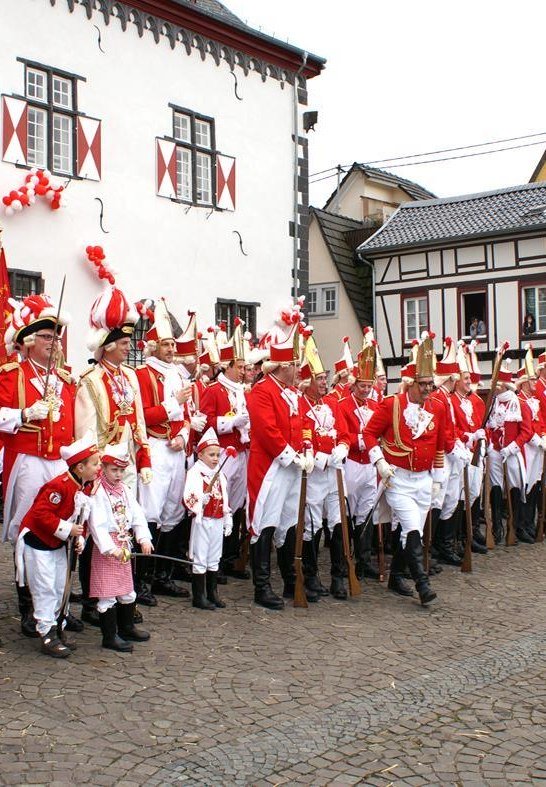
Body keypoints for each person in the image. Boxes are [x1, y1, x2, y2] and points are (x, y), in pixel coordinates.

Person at [0, 293, 79, 638]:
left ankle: (57, 605)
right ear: (29, 341)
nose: (53, 342)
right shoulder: (11, 374)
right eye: (46, 336)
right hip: (28, 461)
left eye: (56, 337)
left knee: (63, 529)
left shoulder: (66, 379)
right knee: (30, 530)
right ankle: (29, 605)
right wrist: (21, 415)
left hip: (59, 464)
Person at [75, 282, 153, 618]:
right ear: (106, 346)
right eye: (123, 343)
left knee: (126, 527)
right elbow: (86, 431)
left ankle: (124, 596)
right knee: (99, 533)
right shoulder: (90, 381)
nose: (128, 348)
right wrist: (93, 470)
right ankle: (95, 601)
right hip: (102, 466)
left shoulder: (131, 378)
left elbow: (138, 422)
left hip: (127, 464)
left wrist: (145, 456)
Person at [364, 332, 445, 606]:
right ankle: (422, 584)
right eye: (423, 384)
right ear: (410, 384)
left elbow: (440, 445)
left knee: (411, 531)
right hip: (398, 478)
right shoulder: (391, 405)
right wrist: (379, 461)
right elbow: (368, 434)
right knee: (412, 530)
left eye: (431, 385)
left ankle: (396, 575)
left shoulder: (437, 408)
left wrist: (438, 478)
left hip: (424, 480)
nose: (428, 390)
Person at [15, 432, 101, 657]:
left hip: (58, 543)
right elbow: (40, 514)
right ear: (79, 468)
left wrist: (78, 538)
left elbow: (80, 519)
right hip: (39, 542)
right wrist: (67, 530)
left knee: (60, 586)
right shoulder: (59, 486)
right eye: (94, 464)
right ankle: (46, 633)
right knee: (45, 587)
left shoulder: (84, 486)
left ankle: (58, 626)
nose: (98, 467)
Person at [246, 322, 312, 610]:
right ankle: (261, 586)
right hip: (270, 468)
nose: (298, 369)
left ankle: (289, 580)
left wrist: (307, 448)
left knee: (289, 521)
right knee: (265, 523)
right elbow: (267, 431)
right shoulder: (263, 391)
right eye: (294, 364)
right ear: (282, 366)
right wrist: (291, 455)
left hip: (290, 467)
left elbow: (302, 425)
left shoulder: (292, 392)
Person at [135, 299, 192, 599]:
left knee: (173, 509)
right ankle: (142, 580)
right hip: (155, 447)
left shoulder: (178, 375)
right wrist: (173, 406)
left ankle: (162, 575)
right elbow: (142, 415)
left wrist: (183, 434)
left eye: (172, 344)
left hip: (175, 449)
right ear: (153, 346)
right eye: (165, 344)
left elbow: (186, 416)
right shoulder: (142, 375)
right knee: (151, 511)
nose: (171, 349)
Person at [298, 330, 350, 600]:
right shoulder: (299, 405)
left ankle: (339, 576)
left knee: (339, 522)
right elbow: (301, 436)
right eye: (319, 378)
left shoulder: (332, 403)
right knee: (312, 525)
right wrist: (320, 458)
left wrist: (342, 447)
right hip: (314, 474)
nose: (324, 383)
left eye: (324, 378)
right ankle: (310, 575)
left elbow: (344, 432)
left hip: (335, 473)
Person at [88, 442, 153, 652]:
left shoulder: (124, 489)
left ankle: (126, 626)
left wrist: (144, 538)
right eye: (114, 470)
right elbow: (96, 525)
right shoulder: (97, 492)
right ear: (104, 468)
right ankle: (109, 635)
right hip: (108, 548)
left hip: (124, 544)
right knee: (107, 593)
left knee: (127, 589)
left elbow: (138, 515)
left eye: (121, 470)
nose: (118, 474)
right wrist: (110, 549)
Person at [201, 318, 250, 580]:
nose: (243, 371)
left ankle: (232, 557)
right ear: (228, 366)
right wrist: (231, 422)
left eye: (244, 367)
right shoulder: (214, 389)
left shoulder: (242, 391)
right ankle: (215, 560)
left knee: (238, 505)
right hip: (222, 454)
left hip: (242, 452)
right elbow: (206, 421)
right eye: (240, 367)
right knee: (222, 504)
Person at [336, 341, 379, 584]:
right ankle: (345, 560)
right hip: (351, 463)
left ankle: (363, 560)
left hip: (369, 466)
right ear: (354, 385)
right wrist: (363, 440)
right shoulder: (343, 405)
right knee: (347, 514)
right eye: (362, 385)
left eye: (369, 386)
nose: (365, 390)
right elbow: (343, 434)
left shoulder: (375, 405)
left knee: (367, 512)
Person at [184, 428, 232, 610]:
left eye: (217, 455)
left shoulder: (219, 474)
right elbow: (188, 495)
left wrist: (228, 518)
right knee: (200, 556)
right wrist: (199, 502)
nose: (215, 458)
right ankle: (199, 595)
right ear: (201, 454)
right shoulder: (195, 473)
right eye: (211, 454)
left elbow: (225, 497)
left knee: (214, 556)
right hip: (203, 520)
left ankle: (213, 592)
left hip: (217, 519)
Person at [486, 356, 532, 544]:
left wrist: (513, 447)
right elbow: (487, 426)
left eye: (497, 384)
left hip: (512, 452)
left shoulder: (519, 404)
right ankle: (497, 527)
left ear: (504, 386)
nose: (494, 387)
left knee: (515, 485)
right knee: (496, 487)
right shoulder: (492, 403)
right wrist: (490, 444)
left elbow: (527, 431)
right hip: (496, 451)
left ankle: (515, 526)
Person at [514, 346, 546, 541]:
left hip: (536, 445)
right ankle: (520, 525)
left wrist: (541, 435)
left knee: (534, 485)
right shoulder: (520, 400)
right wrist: (537, 438)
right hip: (527, 447)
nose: (535, 381)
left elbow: (538, 421)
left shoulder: (531, 399)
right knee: (525, 486)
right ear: (525, 383)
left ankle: (528, 523)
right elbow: (526, 426)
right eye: (532, 379)